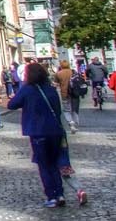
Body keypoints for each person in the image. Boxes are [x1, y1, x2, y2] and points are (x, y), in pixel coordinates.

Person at [6, 61, 73, 207]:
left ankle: (52, 196)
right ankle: (60, 193)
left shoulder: (27, 89)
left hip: (38, 132)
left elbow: (11, 105)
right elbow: (58, 110)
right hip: (55, 131)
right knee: (54, 163)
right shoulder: (50, 89)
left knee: (44, 165)